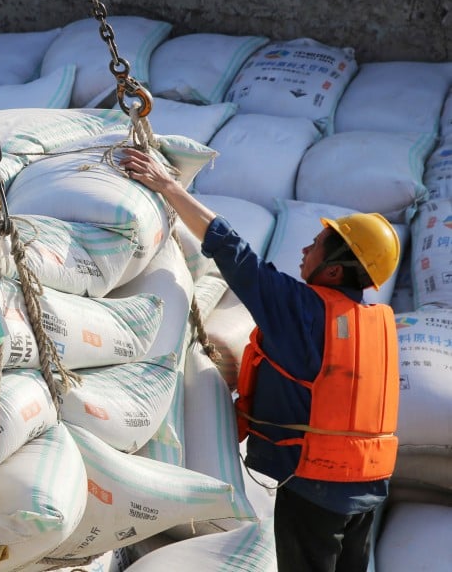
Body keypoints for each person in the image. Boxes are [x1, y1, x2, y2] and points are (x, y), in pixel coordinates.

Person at [119, 146, 400, 572]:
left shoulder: (301, 309)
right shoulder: (377, 323)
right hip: (367, 484)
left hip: (316, 488)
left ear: (336, 270)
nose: (306, 249)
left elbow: (232, 253)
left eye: (318, 244)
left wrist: (167, 186)